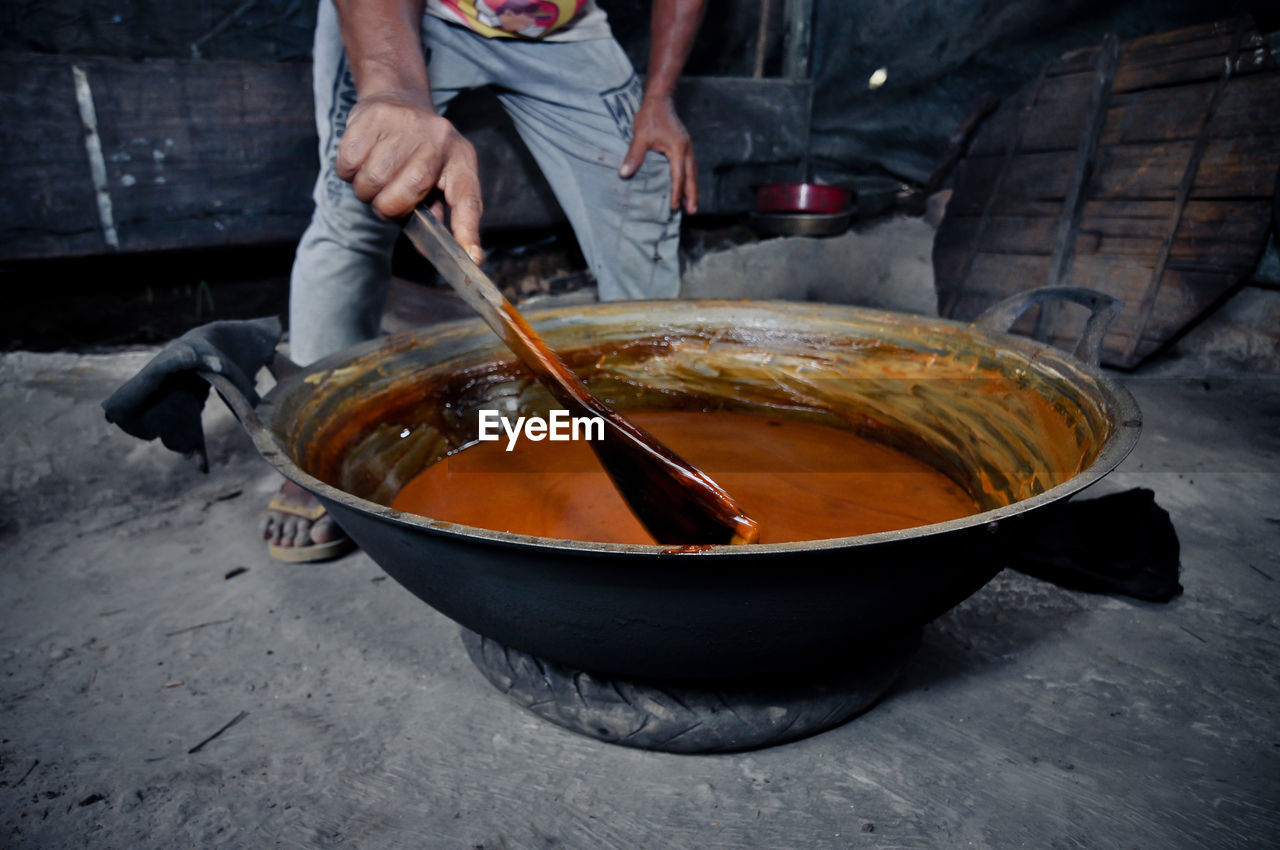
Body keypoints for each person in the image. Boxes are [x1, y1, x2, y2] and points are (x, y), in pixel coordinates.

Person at [262, 0, 708, 561]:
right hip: (417, 13)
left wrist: (659, 98)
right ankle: (316, 449)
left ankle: (649, 431)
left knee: (641, 186)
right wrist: (393, 89)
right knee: (363, 191)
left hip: (560, 25)